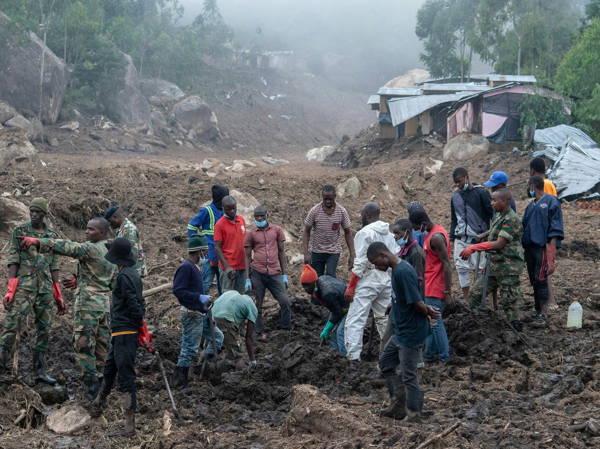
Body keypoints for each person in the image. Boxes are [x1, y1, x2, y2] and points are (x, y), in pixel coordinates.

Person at [19, 217, 115, 400]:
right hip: (103, 303)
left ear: (102, 232)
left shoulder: (90, 248)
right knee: (102, 346)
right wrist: (81, 280)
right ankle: (104, 387)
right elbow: (110, 281)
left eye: (91, 230)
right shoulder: (110, 250)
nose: (87, 232)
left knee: (84, 346)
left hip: (87, 304)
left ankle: (92, 391)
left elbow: (66, 246)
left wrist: (38, 241)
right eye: (86, 228)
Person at [368, 242, 439, 421]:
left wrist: (429, 312)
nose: (376, 266)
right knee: (385, 363)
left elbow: (416, 301)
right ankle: (398, 403)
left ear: (383, 254)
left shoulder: (403, 271)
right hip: (400, 331)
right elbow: (405, 297)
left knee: (409, 375)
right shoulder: (395, 270)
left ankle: (414, 412)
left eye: (375, 261)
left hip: (411, 332)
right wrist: (395, 305)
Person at [0, 198, 65, 384]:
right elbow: (13, 259)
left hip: (44, 288)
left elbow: (54, 264)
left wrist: (58, 292)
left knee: (44, 328)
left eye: (38, 212)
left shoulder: (51, 235)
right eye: (32, 212)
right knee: (12, 324)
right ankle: (2, 367)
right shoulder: (20, 232)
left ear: (44, 214)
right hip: (24, 286)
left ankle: (40, 371)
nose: (34, 215)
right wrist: (11, 289)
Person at [90, 238, 147, 436]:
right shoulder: (132, 274)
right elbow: (139, 302)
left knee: (126, 379)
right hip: (120, 333)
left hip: (124, 332)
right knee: (109, 371)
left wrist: (138, 324)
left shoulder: (124, 277)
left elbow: (134, 304)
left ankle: (129, 428)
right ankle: (96, 407)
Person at [460, 189, 525, 329]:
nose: (491, 203)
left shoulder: (511, 219)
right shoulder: (499, 215)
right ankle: (473, 326)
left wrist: (474, 247)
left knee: (509, 302)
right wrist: (483, 235)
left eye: (495, 200)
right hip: (494, 266)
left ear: (505, 201)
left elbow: (500, 243)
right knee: (475, 294)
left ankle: (515, 332)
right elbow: (495, 230)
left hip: (508, 267)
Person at [344, 202, 397, 363]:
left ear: (367, 215)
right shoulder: (389, 234)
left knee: (356, 319)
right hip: (387, 279)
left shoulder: (364, 233)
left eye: (361, 214)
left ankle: (353, 357)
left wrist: (351, 286)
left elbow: (360, 263)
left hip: (369, 278)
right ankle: (392, 354)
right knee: (384, 319)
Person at [171, 236, 224, 389]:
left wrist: (208, 312)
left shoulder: (196, 267)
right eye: (204, 252)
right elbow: (178, 291)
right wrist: (198, 297)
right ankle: (180, 381)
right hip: (191, 313)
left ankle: (203, 367)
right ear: (198, 252)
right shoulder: (186, 267)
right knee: (189, 348)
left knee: (218, 337)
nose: (205, 255)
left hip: (202, 313)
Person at [409, 209, 452, 363]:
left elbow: (447, 264)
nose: (415, 231)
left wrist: (447, 291)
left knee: (435, 323)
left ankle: (444, 356)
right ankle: (429, 354)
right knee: (431, 321)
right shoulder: (436, 231)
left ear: (423, 224)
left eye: (415, 227)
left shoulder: (435, 238)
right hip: (431, 284)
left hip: (436, 285)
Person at [522, 176, 564, 326]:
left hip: (542, 247)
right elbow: (524, 226)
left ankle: (544, 314)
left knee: (541, 280)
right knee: (534, 280)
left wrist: (551, 254)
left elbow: (555, 230)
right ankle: (537, 310)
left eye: (529, 186)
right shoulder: (530, 206)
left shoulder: (551, 202)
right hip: (529, 248)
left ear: (533, 186)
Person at [244, 205, 292, 339]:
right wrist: (247, 278)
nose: (259, 219)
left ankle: (285, 328)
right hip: (257, 273)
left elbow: (282, 252)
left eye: (262, 216)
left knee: (285, 301)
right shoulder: (251, 233)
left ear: (267, 216)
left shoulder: (277, 230)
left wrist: (284, 274)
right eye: (256, 217)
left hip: (275, 272)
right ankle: (258, 331)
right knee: (256, 304)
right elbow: (247, 256)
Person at [450, 167, 494, 301]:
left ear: (466, 177)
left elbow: (491, 214)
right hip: (461, 237)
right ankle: (467, 297)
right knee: (461, 267)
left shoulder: (481, 192)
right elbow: (454, 218)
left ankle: (479, 297)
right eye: (455, 182)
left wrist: (489, 233)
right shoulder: (455, 196)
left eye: (459, 181)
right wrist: (452, 237)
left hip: (479, 237)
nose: (458, 185)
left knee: (480, 269)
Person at [383, 219, 426, 351]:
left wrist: (416, 304)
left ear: (407, 232)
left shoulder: (416, 253)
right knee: (390, 337)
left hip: (409, 303)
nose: (395, 237)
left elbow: (418, 281)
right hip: (400, 301)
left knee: (405, 339)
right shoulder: (403, 250)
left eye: (397, 233)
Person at [302, 185, 355, 277]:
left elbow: (348, 232)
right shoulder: (314, 211)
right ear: (322, 197)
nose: (328, 201)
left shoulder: (341, 211)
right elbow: (306, 231)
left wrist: (352, 254)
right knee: (318, 278)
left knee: (330, 276)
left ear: (335, 196)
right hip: (317, 251)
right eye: (325, 199)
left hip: (333, 251)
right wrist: (306, 253)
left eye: (330, 199)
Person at [187, 184, 230, 295]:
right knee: (205, 284)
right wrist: (198, 246)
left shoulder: (226, 212)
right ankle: (201, 309)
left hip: (222, 256)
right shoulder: (207, 211)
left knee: (223, 286)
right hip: (208, 256)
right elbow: (191, 226)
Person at [529, 158, 559, 311]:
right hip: (545, 233)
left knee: (543, 272)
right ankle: (550, 301)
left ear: (532, 170)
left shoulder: (545, 185)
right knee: (544, 272)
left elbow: (546, 209)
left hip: (544, 236)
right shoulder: (550, 183)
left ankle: (549, 302)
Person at [300, 264, 347, 356]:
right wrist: (328, 328)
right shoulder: (320, 281)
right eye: (303, 286)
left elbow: (338, 313)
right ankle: (335, 356)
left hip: (350, 305)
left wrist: (327, 328)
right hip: (339, 305)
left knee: (340, 332)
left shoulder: (327, 293)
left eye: (307, 285)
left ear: (314, 282)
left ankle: (346, 359)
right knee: (332, 333)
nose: (305, 289)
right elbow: (334, 309)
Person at [211, 290, 258, 368]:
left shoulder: (231, 292)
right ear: (254, 299)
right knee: (237, 355)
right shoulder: (252, 305)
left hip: (209, 319)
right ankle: (237, 376)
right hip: (225, 320)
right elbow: (248, 337)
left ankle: (204, 369)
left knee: (212, 348)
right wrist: (253, 360)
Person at [214, 196, 248, 294]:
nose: (232, 211)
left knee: (241, 295)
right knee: (228, 296)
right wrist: (227, 267)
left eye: (234, 208)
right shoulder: (220, 225)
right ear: (223, 208)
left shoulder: (241, 220)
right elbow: (217, 247)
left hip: (242, 266)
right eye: (229, 209)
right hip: (229, 268)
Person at [105, 206, 148, 278]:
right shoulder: (123, 228)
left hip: (133, 272)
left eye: (110, 221)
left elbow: (131, 253)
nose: (109, 224)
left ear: (115, 217)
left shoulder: (128, 229)